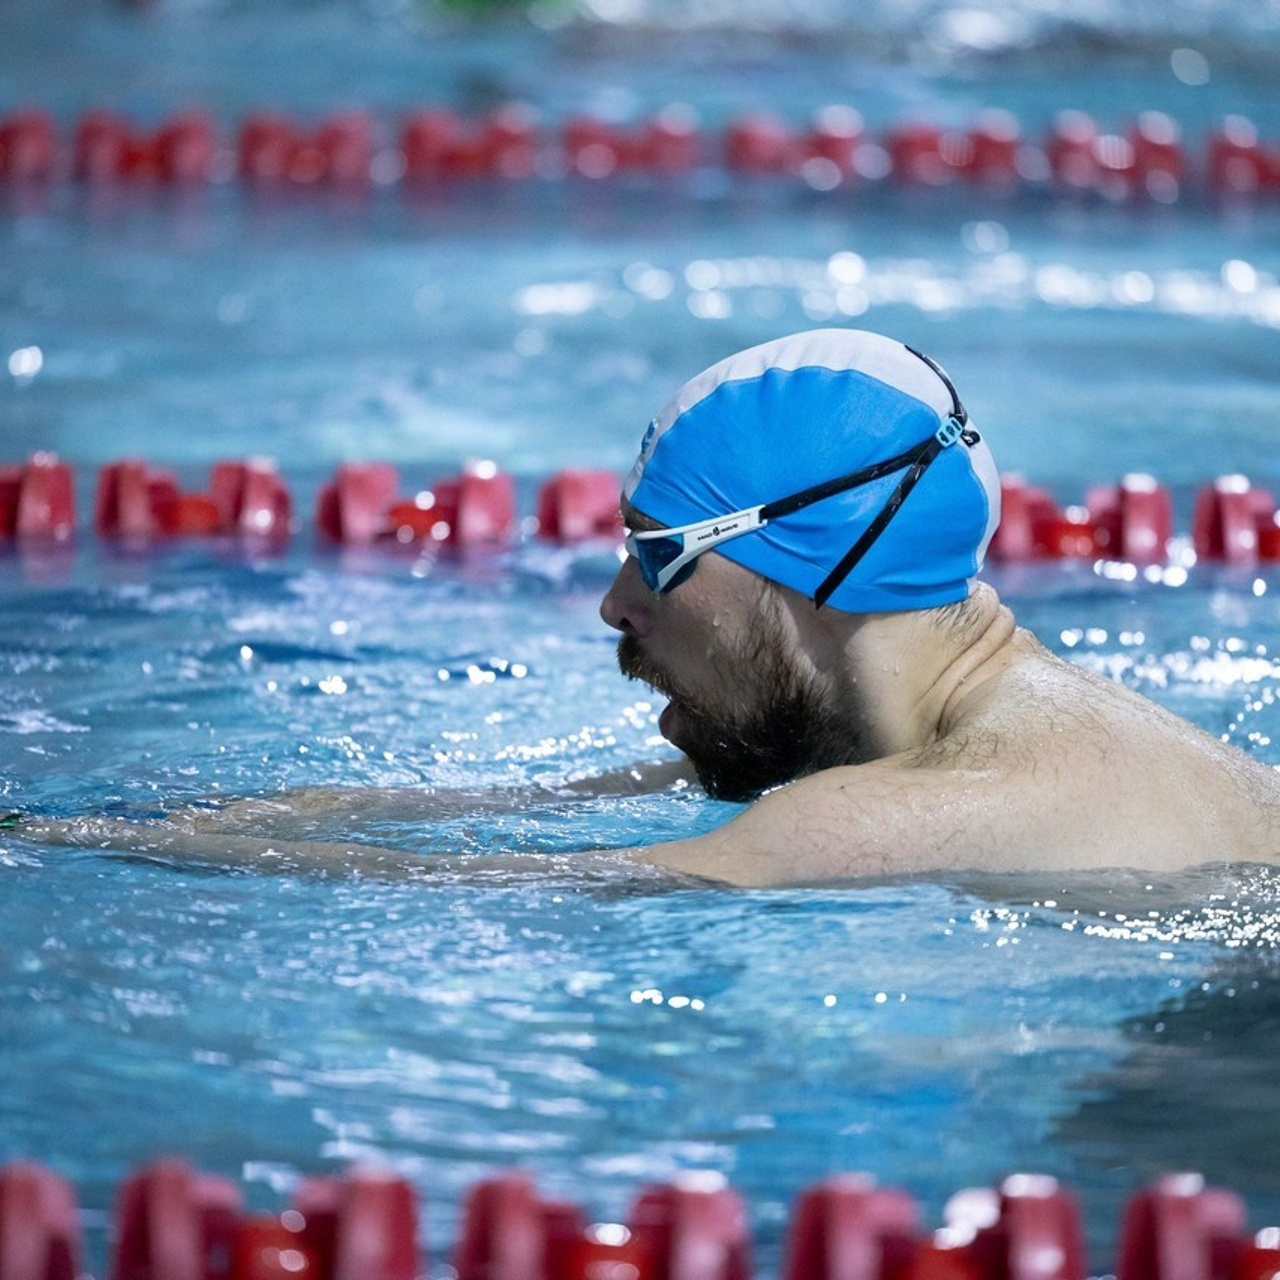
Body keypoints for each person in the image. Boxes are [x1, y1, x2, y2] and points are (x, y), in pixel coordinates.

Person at [13, 328, 1280, 885]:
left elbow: (435, 889)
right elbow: (487, 818)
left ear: (809, 557)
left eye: (658, 553)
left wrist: (49, 851)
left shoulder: (896, 813)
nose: (616, 603)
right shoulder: (923, 728)